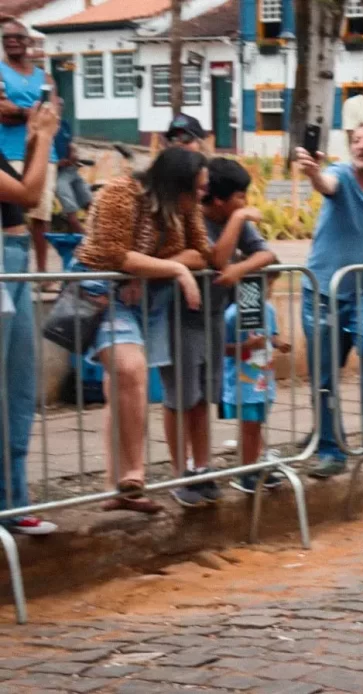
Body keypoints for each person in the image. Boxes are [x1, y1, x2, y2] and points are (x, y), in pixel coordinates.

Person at [76, 148, 211, 514]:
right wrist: (176, 270)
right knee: (130, 369)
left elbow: (201, 253)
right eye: (198, 188)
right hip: (103, 293)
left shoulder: (185, 208)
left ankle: (117, 487)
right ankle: (135, 472)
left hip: (147, 298)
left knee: (122, 386)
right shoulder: (121, 193)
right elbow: (115, 254)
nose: (203, 195)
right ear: (176, 185)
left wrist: (150, 268)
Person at [160, 157, 278, 507]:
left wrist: (240, 268)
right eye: (240, 197)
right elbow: (214, 258)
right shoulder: (194, 218)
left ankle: (202, 468)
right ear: (220, 199)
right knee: (179, 397)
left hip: (211, 319)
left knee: (201, 398)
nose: (245, 203)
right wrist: (239, 221)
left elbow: (266, 255)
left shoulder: (232, 220)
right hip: (180, 316)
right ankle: (180, 473)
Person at [295, 121, 363, 477]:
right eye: (357, 140)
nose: (362, 146)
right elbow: (325, 185)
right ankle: (331, 451)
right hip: (323, 291)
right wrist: (313, 172)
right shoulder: (339, 175)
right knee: (324, 372)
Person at [0, 100, 59, 533]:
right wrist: (48, 138)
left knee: (18, 387)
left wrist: (36, 138)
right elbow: (29, 195)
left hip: (14, 258)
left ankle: (13, 500)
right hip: (4, 260)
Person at [223, 276, 291, 494]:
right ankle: (245, 472)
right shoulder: (232, 314)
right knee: (249, 426)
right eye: (265, 285)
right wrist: (246, 345)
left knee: (257, 426)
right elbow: (223, 348)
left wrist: (280, 343)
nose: (269, 289)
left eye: (270, 284)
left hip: (263, 380)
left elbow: (272, 334)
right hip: (243, 383)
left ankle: (254, 466)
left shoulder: (268, 310)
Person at [0, 20, 57, 277]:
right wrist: (33, 115)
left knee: (41, 215)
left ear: (29, 41)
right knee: (14, 212)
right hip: (9, 151)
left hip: (44, 152)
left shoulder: (44, 77)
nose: (11, 40)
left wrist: (19, 112)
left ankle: (42, 273)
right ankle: (16, 273)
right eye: (6, 37)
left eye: (17, 36)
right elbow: (3, 113)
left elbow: (53, 112)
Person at [53, 118, 91, 236]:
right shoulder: (41, 126)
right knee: (71, 210)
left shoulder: (64, 124)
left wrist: (73, 152)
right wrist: (55, 163)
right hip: (55, 174)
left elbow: (70, 144)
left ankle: (97, 234)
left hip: (70, 169)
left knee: (89, 203)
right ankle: (85, 238)